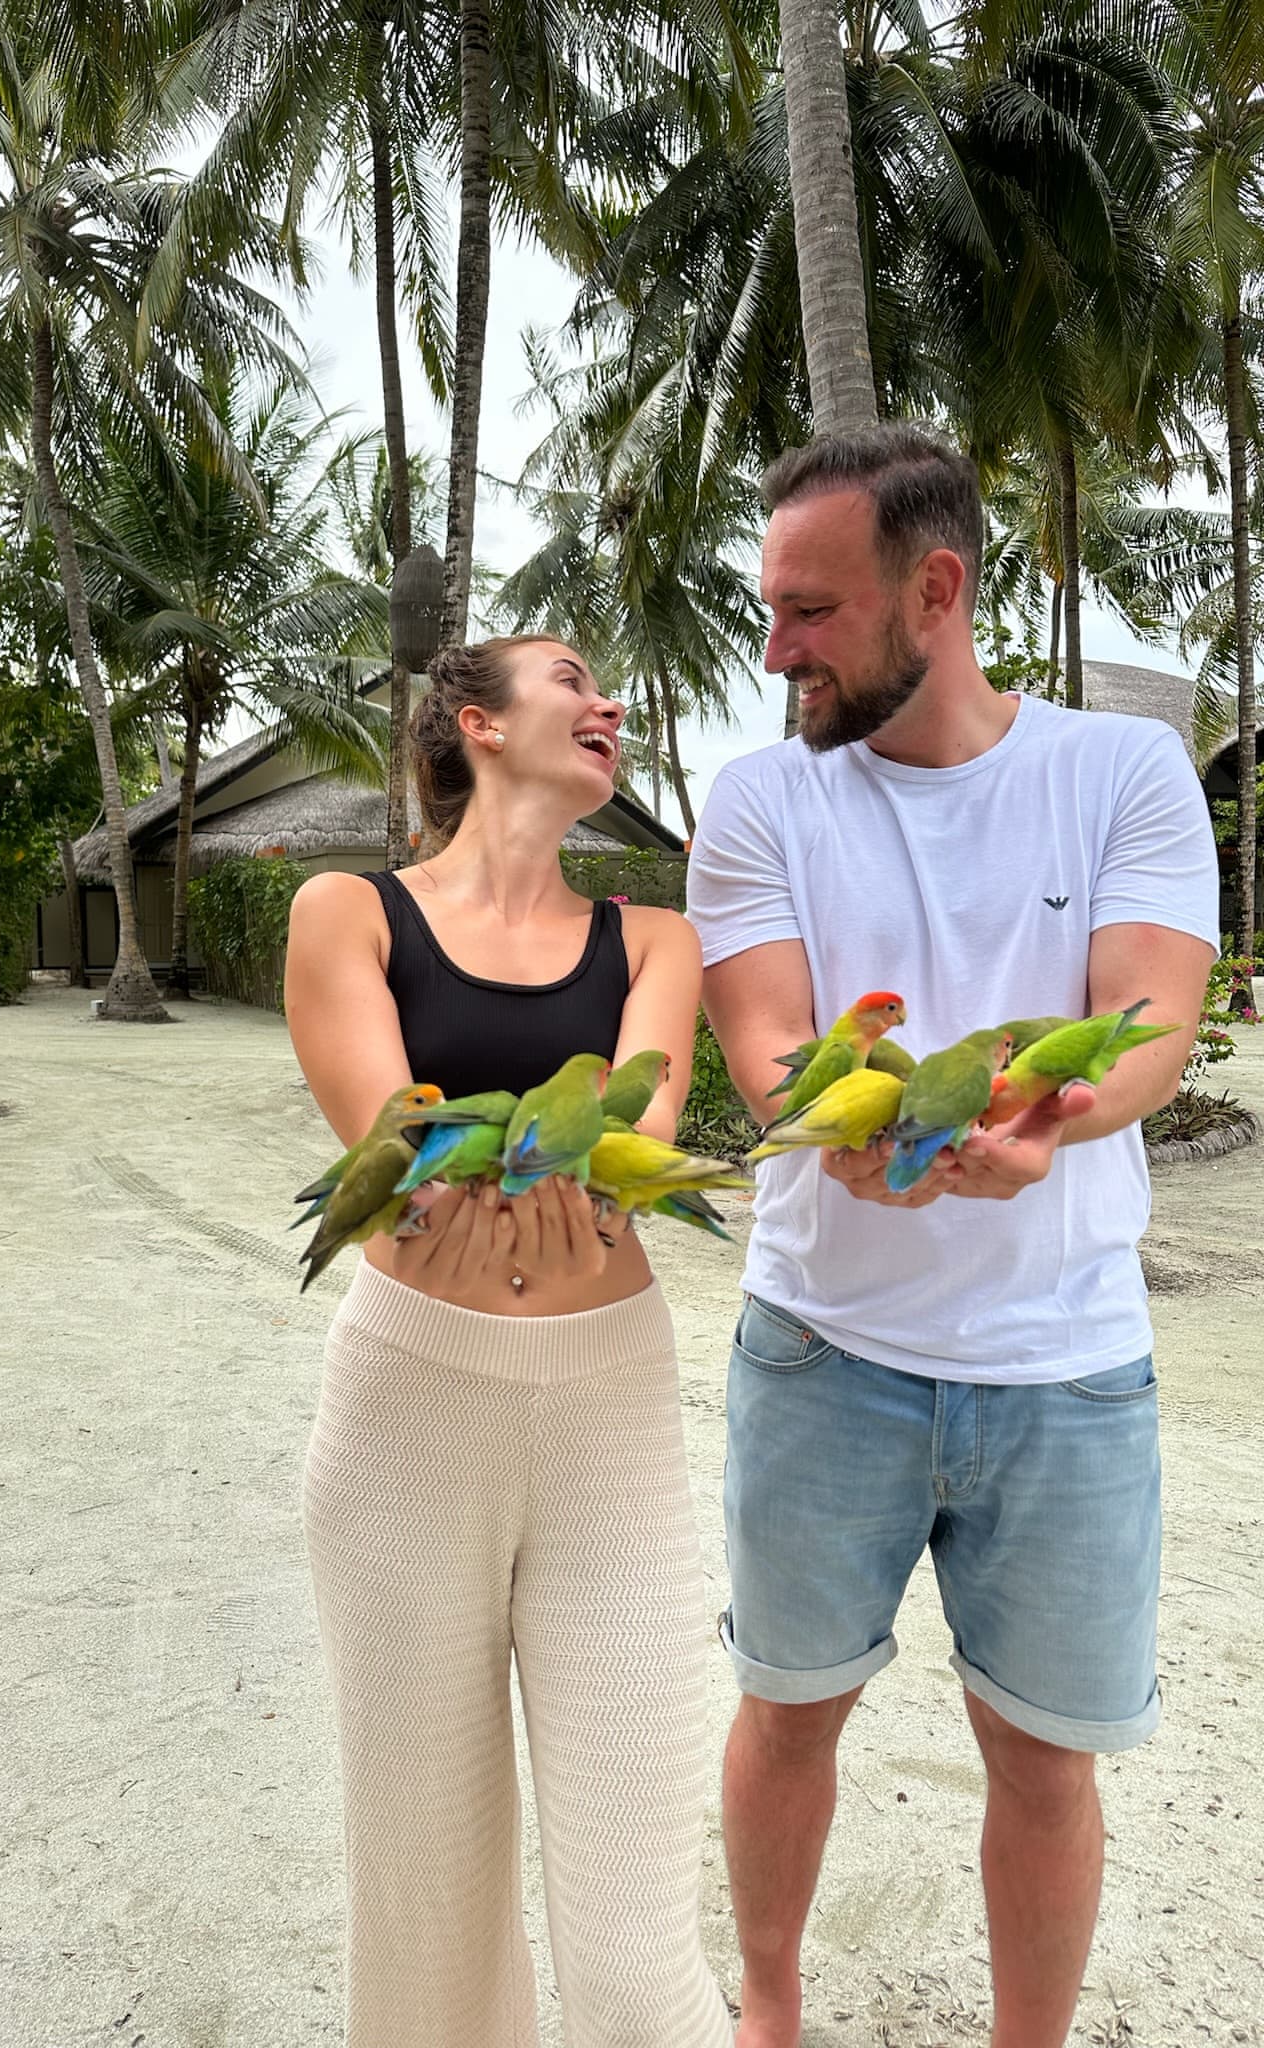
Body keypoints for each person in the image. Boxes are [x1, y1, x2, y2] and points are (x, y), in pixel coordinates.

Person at [686, 425, 1219, 2048]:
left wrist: (1048, 1129)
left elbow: (1148, 1021)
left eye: (812, 612)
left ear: (937, 589)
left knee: (1046, 1758)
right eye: (770, 609)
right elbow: (768, 1042)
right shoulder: (760, 798)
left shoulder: (1121, 773)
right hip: (821, 1348)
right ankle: (770, 2014)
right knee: (788, 1710)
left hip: (1067, 1366)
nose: (776, 651)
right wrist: (852, 1137)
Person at [285, 634, 734, 2048]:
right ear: (475, 722)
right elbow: (395, 1151)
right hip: (410, 1408)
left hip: (610, 1413)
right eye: (571, 678)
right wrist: (519, 1189)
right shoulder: (347, 913)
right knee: (427, 1908)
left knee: (636, 1949)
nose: (610, 701)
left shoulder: (654, 942)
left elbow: (634, 1148)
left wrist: (526, 1190)